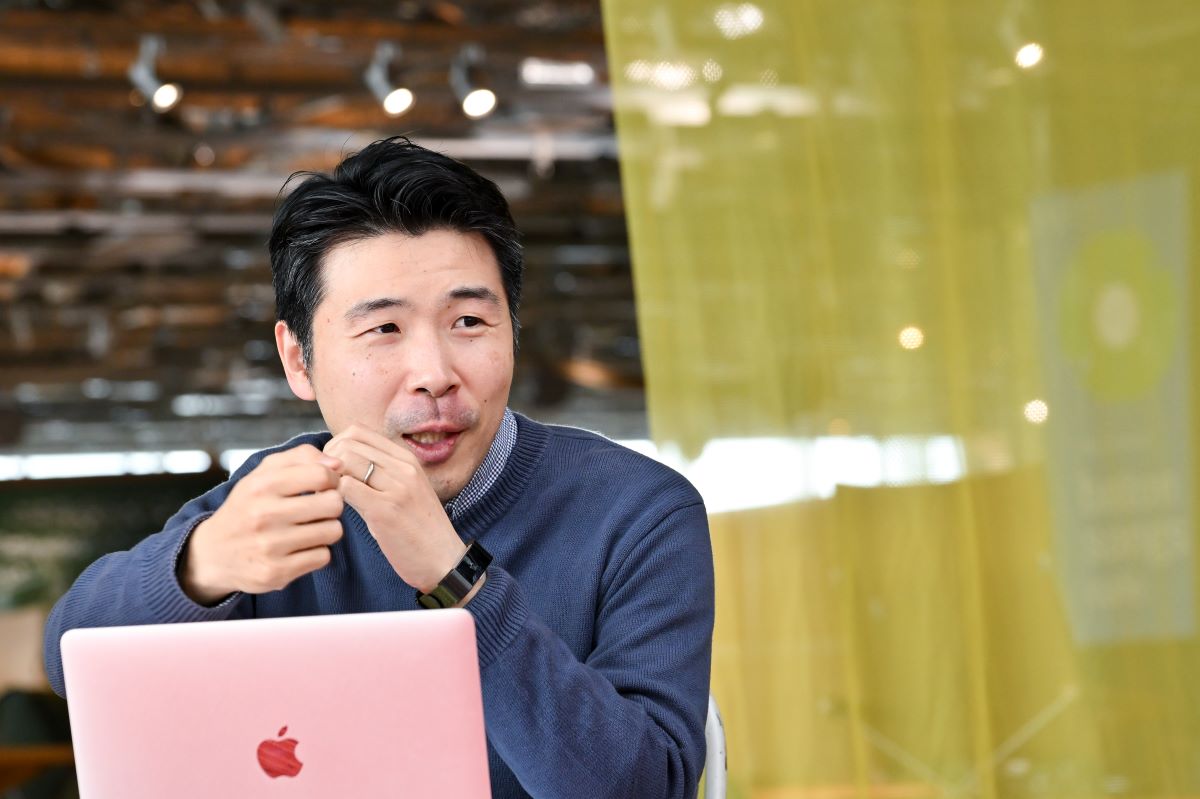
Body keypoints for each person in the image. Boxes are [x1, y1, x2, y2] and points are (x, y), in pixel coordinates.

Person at [42, 137, 715, 798]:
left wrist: (456, 581)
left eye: (469, 321)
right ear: (299, 360)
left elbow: (646, 788)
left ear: (513, 329)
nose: (434, 374)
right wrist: (201, 566)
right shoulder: (282, 496)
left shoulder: (638, 511)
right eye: (384, 329)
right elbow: (69, 658)